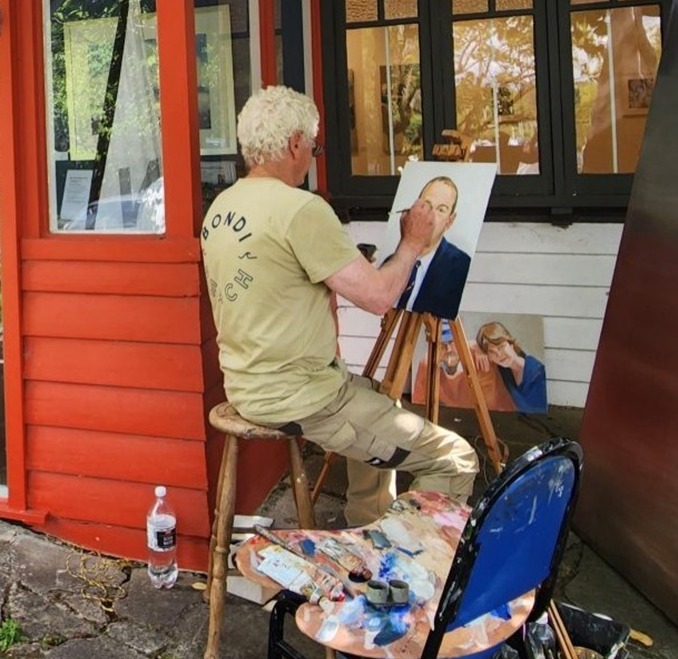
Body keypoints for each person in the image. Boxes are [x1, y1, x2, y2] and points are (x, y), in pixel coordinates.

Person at [200, 86, 479, 526]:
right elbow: (378, 298)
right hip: (302, 398)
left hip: (246, 385)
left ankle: (369, 529)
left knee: (382, 404)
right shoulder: (300, 209)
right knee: (455, 459)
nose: (312, 156)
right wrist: (411, 243)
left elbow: (274, 278)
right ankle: (409, 567)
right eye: (314, 146)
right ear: (294, 143)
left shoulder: (222, 205)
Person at [396, 175, 471, 320]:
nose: (431, 216)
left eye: (441, 210)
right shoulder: (393, 261)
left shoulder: (460, 266)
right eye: (427, 205)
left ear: (450, 221)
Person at [412, 321, 516, 413]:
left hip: (498, 417)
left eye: (452, 342)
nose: (448, 349)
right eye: (441, 344)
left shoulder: (478, 359)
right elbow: (418, 402)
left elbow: (486, 405)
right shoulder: (427, 363)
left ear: (460, 342)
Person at [476, 321, 548, 413]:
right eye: (492, 352)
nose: (499, 354)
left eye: (501, 347)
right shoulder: (503, 369)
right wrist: (478, 350)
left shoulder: (538, 373)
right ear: (489, 357)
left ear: (511, 345)